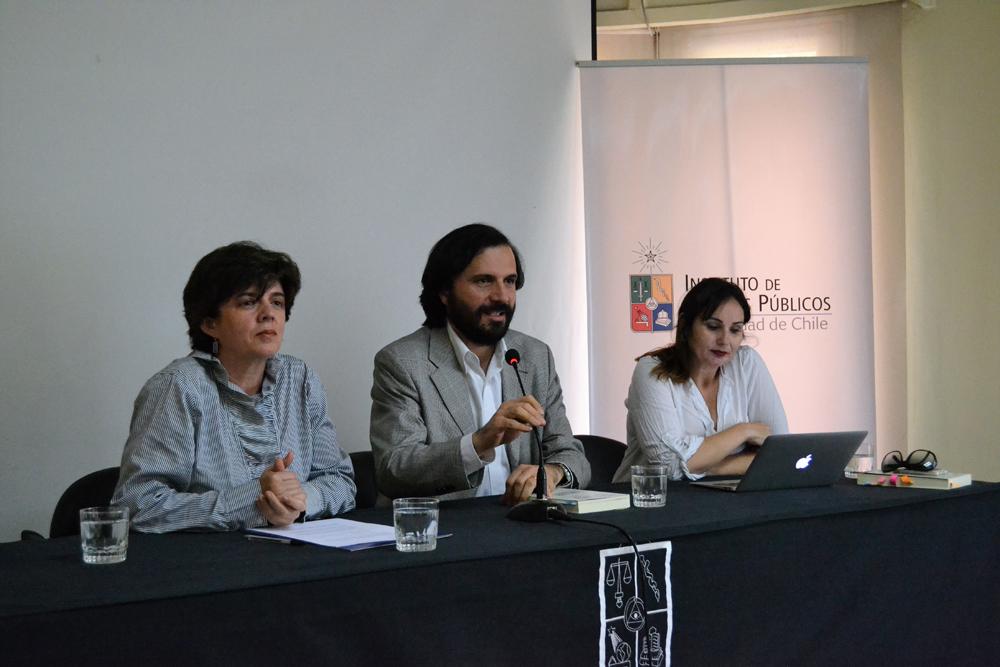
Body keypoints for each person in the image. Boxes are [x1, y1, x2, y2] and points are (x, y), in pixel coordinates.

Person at [112, 241, 356, 532]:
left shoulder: (301, 379)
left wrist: (299, 501)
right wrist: (255, 500)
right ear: (209, 323)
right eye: (249, 302)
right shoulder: (178, 388)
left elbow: (340, 480)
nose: (269, 314)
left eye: (277, 302)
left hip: (295, 556)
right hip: (208, 566)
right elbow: (139, 506)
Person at [370, 223, 590, 503]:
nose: (501, 296)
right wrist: (479, 443)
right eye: (484, 281)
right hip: (446, 533)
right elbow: (394, 469)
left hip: (525, 526)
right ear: (444, 291)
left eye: (509, 281)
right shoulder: (403, 362)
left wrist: (552, 472)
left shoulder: (535, 356)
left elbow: (570, 452)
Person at [613, 277, 788, 482]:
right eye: (713, 327)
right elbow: (668, 465)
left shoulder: (746, 363)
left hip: (725, 500)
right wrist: (743, 431)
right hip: (650, 503)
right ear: (686, 326)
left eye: (735, 330)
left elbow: (780, 453)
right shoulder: (652, 371)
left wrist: (713, 467)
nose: (724, 341)